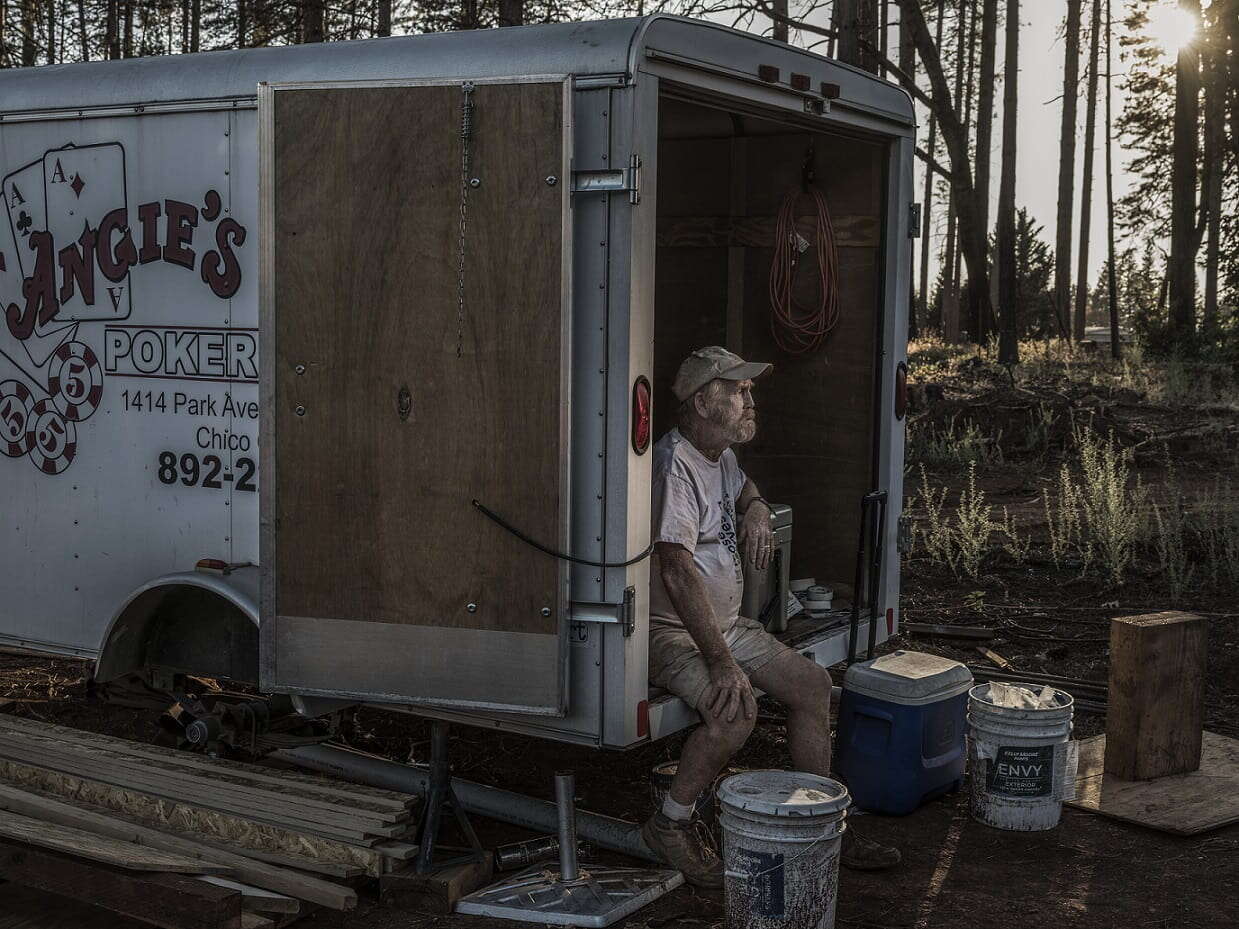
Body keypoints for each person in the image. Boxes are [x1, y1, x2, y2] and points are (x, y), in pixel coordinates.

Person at [640, 346, 900, 887]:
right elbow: (676, 570)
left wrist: (755, 506)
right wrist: (721, 662)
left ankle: (822, 821)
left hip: (728, 629)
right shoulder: (674, 466)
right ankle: (669, 825)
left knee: (811, 684)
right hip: (677, 637)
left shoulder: (721, 458)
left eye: (749, 389)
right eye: (739, 390)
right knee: (735, 713)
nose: (750, 398)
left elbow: (744, 487)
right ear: (704, 401)